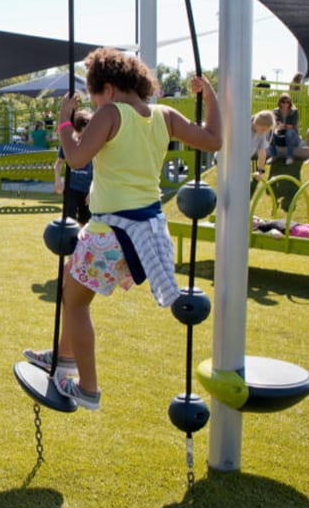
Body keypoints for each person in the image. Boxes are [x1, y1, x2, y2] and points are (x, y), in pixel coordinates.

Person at [23, 47, 222, 410]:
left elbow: (77, 157)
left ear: (109, 89)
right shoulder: (165, 116)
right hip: (145, 229)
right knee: (72, 285)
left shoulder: (110, 114)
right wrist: (210, 95)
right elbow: (213, 139)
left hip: (110, 232)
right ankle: (64, 355)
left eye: (93, 95)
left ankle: (89, 387)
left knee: (76, 302)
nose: (94, 103)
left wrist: (66, 122)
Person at [54, 109, 93, 226]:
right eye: (82, 132)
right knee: (68, 219)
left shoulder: (94, 144)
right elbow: (59, 163)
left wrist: (92, 191)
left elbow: (100, 170)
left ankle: (83, 241)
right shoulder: (68, 142)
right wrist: (57, 180)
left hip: (87, 188)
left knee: (86, 220)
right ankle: (70, 242)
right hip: (71, 187)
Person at [270, 93, 301, 165]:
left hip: (292, 137)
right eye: (283, 102)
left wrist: (283, 126)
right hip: (281, 136)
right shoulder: (275, 112)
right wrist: (278, 127)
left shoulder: (294, 112)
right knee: (270, 132)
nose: (285, 104)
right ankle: (273, 155)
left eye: (287, 102)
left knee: (289, 132)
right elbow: (274, 124)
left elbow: (293, 125)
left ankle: (290, 156)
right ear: (279, 102)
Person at [250, 110, 275, 179]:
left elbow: (262, 152)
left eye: (266, 130)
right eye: (263, 129)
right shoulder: (244, 127)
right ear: (254, 123)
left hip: (244, 161)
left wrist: (260, 170)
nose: (264, 132)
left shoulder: (262, 133)